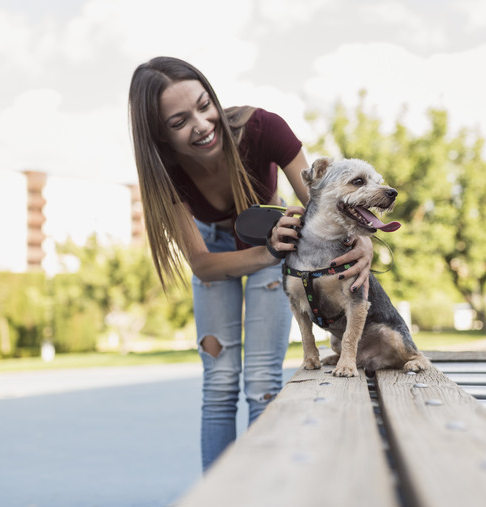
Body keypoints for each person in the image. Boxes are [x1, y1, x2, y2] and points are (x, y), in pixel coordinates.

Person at [128, 56, 373, 471]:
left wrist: (363, 239)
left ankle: (262, 498)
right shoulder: (164, 171)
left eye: (205, 105)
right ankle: (219, 504)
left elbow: (326, 203)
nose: (202, 124)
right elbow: (202, 265)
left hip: (277, 234)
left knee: (261, 382)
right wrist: (267, 254)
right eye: (179, 122)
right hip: (223, 251)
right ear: (159, 135)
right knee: (220, 384)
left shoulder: (264, 129)